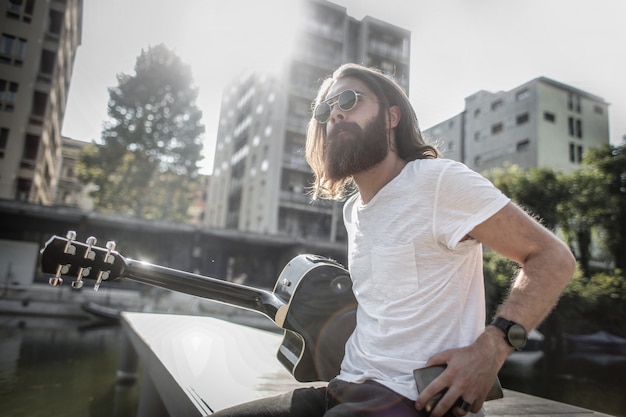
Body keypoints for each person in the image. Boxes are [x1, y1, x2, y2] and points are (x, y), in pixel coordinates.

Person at [210, 63, 575, 417]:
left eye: (349, 100)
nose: (334, 114)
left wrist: (492, 348)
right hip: (343, 387)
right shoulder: (352, 211)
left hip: (412, 400)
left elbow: (552, 257)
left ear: (391, 117)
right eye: (325, 109)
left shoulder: (438, 182)